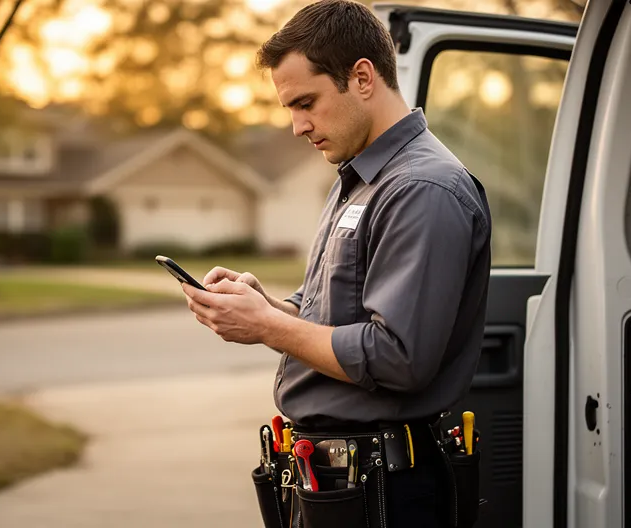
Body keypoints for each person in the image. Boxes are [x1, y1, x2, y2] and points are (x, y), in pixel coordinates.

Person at [180, 0, 491, 526]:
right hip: (342, 482)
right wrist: (267, 307)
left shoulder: (421, 188)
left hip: (390, 491)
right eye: (290, 110)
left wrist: (270, 327)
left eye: (307, 103)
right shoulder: (359, 178)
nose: (299, 126)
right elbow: (338, 314)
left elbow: (398, 356)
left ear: (363, 77)